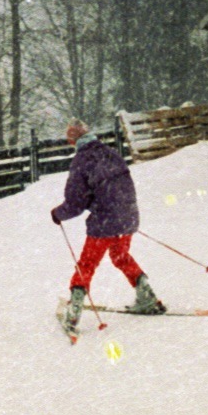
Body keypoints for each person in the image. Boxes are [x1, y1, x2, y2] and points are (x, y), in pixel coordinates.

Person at [52, 119, 164, 334]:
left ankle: (73, 313)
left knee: (86, 265)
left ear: (72, 140)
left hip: (104, 223)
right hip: (128, 218)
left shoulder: (81, 161)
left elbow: (76, 203)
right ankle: (147, 297)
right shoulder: (111, 153)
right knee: (121, 256)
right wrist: (123, 214)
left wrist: (58, 214)